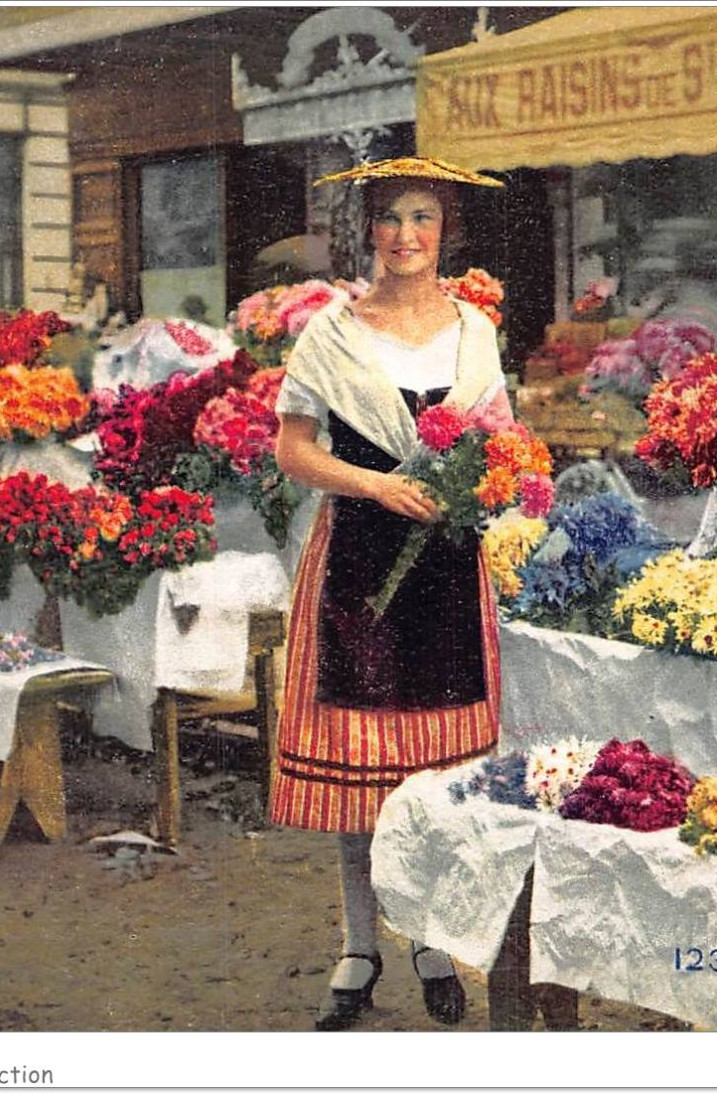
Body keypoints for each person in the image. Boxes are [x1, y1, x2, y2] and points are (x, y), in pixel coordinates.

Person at [270, 156, 508, 1031]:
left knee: (434, 772)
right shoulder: (333, 334)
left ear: (446, 232)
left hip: (448, 563)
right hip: (361, 562)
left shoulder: (474, 332)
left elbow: (500, 440)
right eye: (390, 219)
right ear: (367, 230)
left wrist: (484, 488)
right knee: (361, 767)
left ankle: (430, 940)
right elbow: (293, 451)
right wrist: (373, 486)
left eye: (423, 219)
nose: (406, 236)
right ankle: (359, 944)